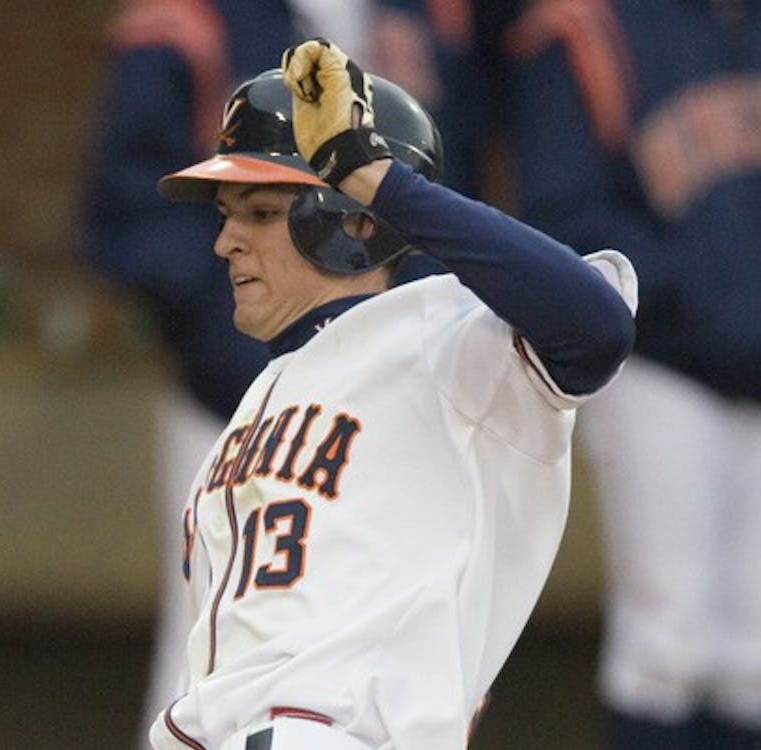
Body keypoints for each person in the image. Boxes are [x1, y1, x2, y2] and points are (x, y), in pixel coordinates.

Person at [146, 38, 636, 750]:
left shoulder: (446, 335)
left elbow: (596, 328)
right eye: (226, 215)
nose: (225, 242)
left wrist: (372, 175)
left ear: (355, 220)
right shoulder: (256, 405)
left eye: (257, 213)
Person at [80, 3, 408, 745]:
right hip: (236, 404)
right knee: (208, 657)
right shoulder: (192, 21)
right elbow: (120, 217)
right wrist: (244, 339)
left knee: (382, 654)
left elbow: (459, 196)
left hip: (395, 399)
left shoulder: (426, 19)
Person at [502, 1, 761, 747]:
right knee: (667, 645)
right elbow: (566, 225)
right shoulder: (583, 22)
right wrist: (716, 302)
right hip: (658, 361)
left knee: (750, 658)